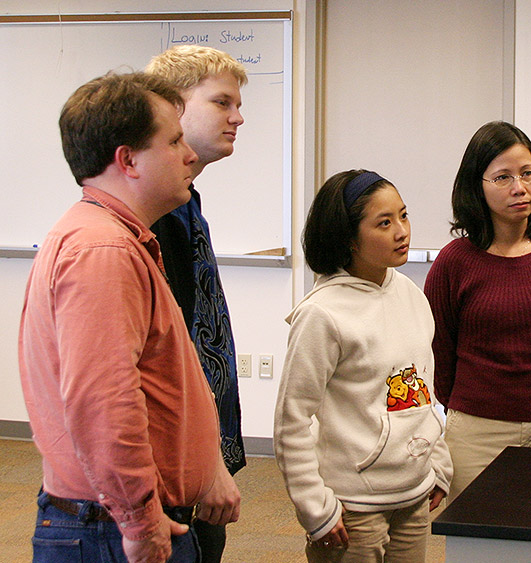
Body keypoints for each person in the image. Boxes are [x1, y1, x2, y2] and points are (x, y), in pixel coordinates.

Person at [19, 71, 238, 563]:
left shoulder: (114, 237)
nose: (188, 155)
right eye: (175, 140)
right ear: (128, 160)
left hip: (113, 521)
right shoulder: (103, 251)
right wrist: (141, 525)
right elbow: (104, 406)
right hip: (112, 531)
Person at [274, 170, 452, 562]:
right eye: (384, 223)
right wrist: (315, 509)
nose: (401, 231)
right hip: (353, 507)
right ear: (348, 238)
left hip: (414, 496)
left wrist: (437, 462)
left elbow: (425, 391)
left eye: (403, 216)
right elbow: (293, 421)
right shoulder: (321, 314)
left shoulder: (409, 293)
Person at [424, 121, 531, 500]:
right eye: (502, 177)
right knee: (479, 545)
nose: (519, 187)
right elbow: (438, 348)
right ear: (475, 187)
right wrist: (467, 404)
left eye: (528, 173)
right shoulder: (455, 261)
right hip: (476, 432)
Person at [145, 45, 247, 561]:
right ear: (173, 107)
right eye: (222, 102)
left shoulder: (186, 201)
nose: (238, 116)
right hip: (176, 470)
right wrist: (203, 464)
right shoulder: (154, 215)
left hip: (199, 458)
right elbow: (164, 357)